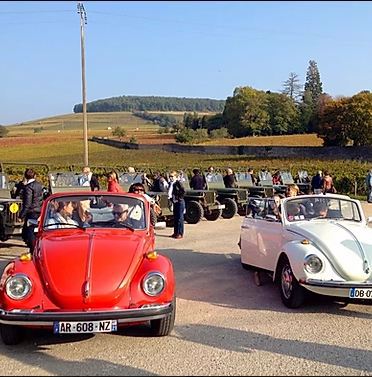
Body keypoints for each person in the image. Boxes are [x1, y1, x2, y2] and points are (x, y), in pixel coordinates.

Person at [19, 168, 44, 252]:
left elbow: (27, 203)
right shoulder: (39, 185)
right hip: (39, 210)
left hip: (31, 211)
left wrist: (21, 215)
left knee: (29, 232)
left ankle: (33, 250)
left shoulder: (28, 187)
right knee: (32, 231)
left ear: (25, 176)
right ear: (34, 175)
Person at [168, 171, 185, 239]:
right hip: (174, 202)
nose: (171, 178)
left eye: (172, 176)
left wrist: (179, 198)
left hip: (179, 202)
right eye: (170, 176)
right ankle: (175, 232)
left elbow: (183, 191)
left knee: (180, 218)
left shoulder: (178, 183)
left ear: (176, 177)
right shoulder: (171, 183)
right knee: (175, 218)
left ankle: (180, 233)